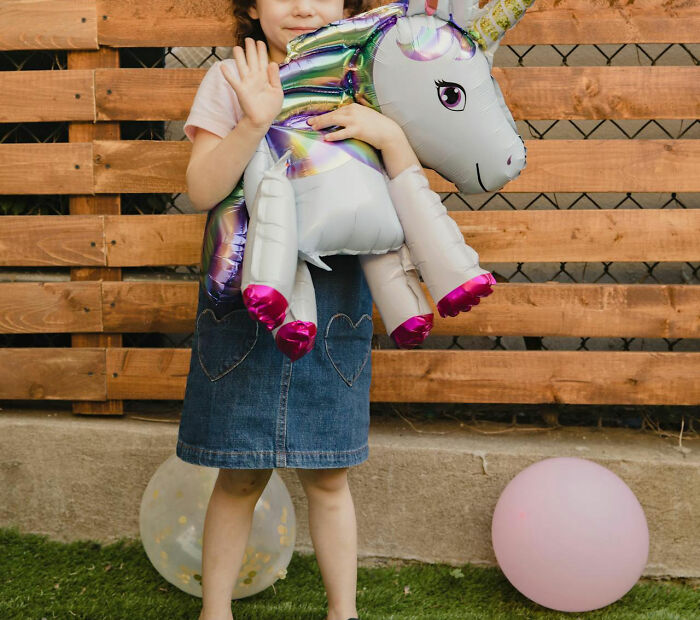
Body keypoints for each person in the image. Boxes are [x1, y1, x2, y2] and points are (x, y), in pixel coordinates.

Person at [176, 2, 423, 619]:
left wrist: (389, 134)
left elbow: (408, 195)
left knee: (329, 477)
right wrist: (253, 122)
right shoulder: (228, 78)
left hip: (336, 301)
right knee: (237, 476)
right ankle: (215, 611)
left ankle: (345, 613)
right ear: (253, 8)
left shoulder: (369, 79)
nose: (305, 6)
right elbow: (202, 190)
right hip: (249, 300)